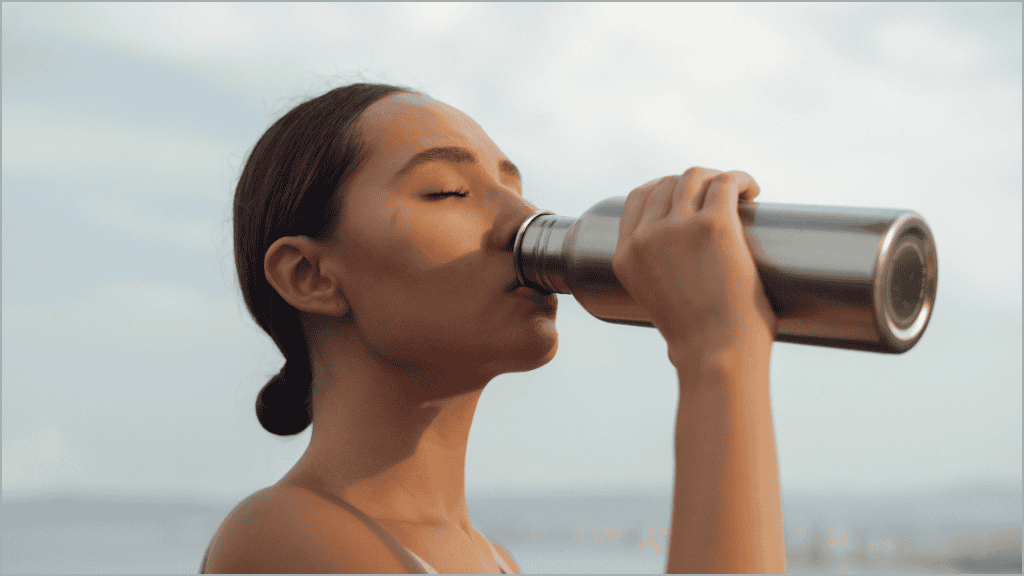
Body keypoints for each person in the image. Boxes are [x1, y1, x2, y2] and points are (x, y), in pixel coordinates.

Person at [201, 82, 787, 573]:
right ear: (309, 275)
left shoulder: (493, 560)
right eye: (447, 191)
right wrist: (720, 353)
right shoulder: (280, 539)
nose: (524, 219)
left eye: (516, 189)